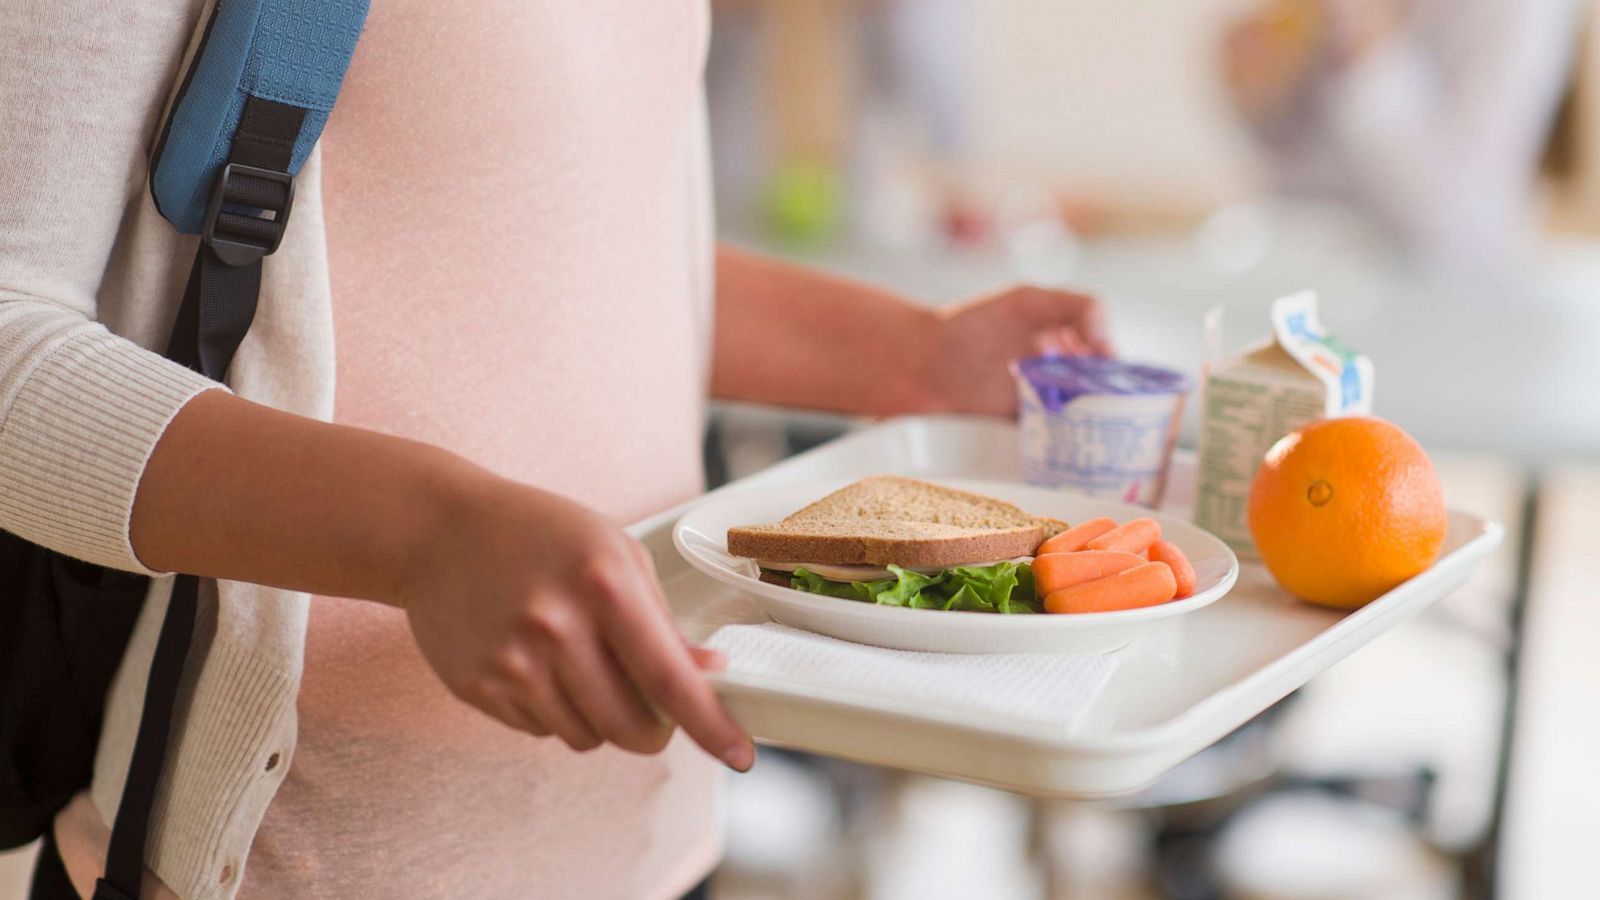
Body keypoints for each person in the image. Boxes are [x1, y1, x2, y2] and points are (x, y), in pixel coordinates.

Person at [1, 2, 1109, 898]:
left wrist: (915, 355)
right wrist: (425, 536)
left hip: (647, 840)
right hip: (298, 859)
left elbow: (564, 249)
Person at [1221, 0, 1581, 273]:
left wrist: (1370, 48)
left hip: (1460, 307)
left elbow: (1461, 229)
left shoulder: (1521, 11)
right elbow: (1306, 190)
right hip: (1329, 285)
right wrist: (1261, 105)